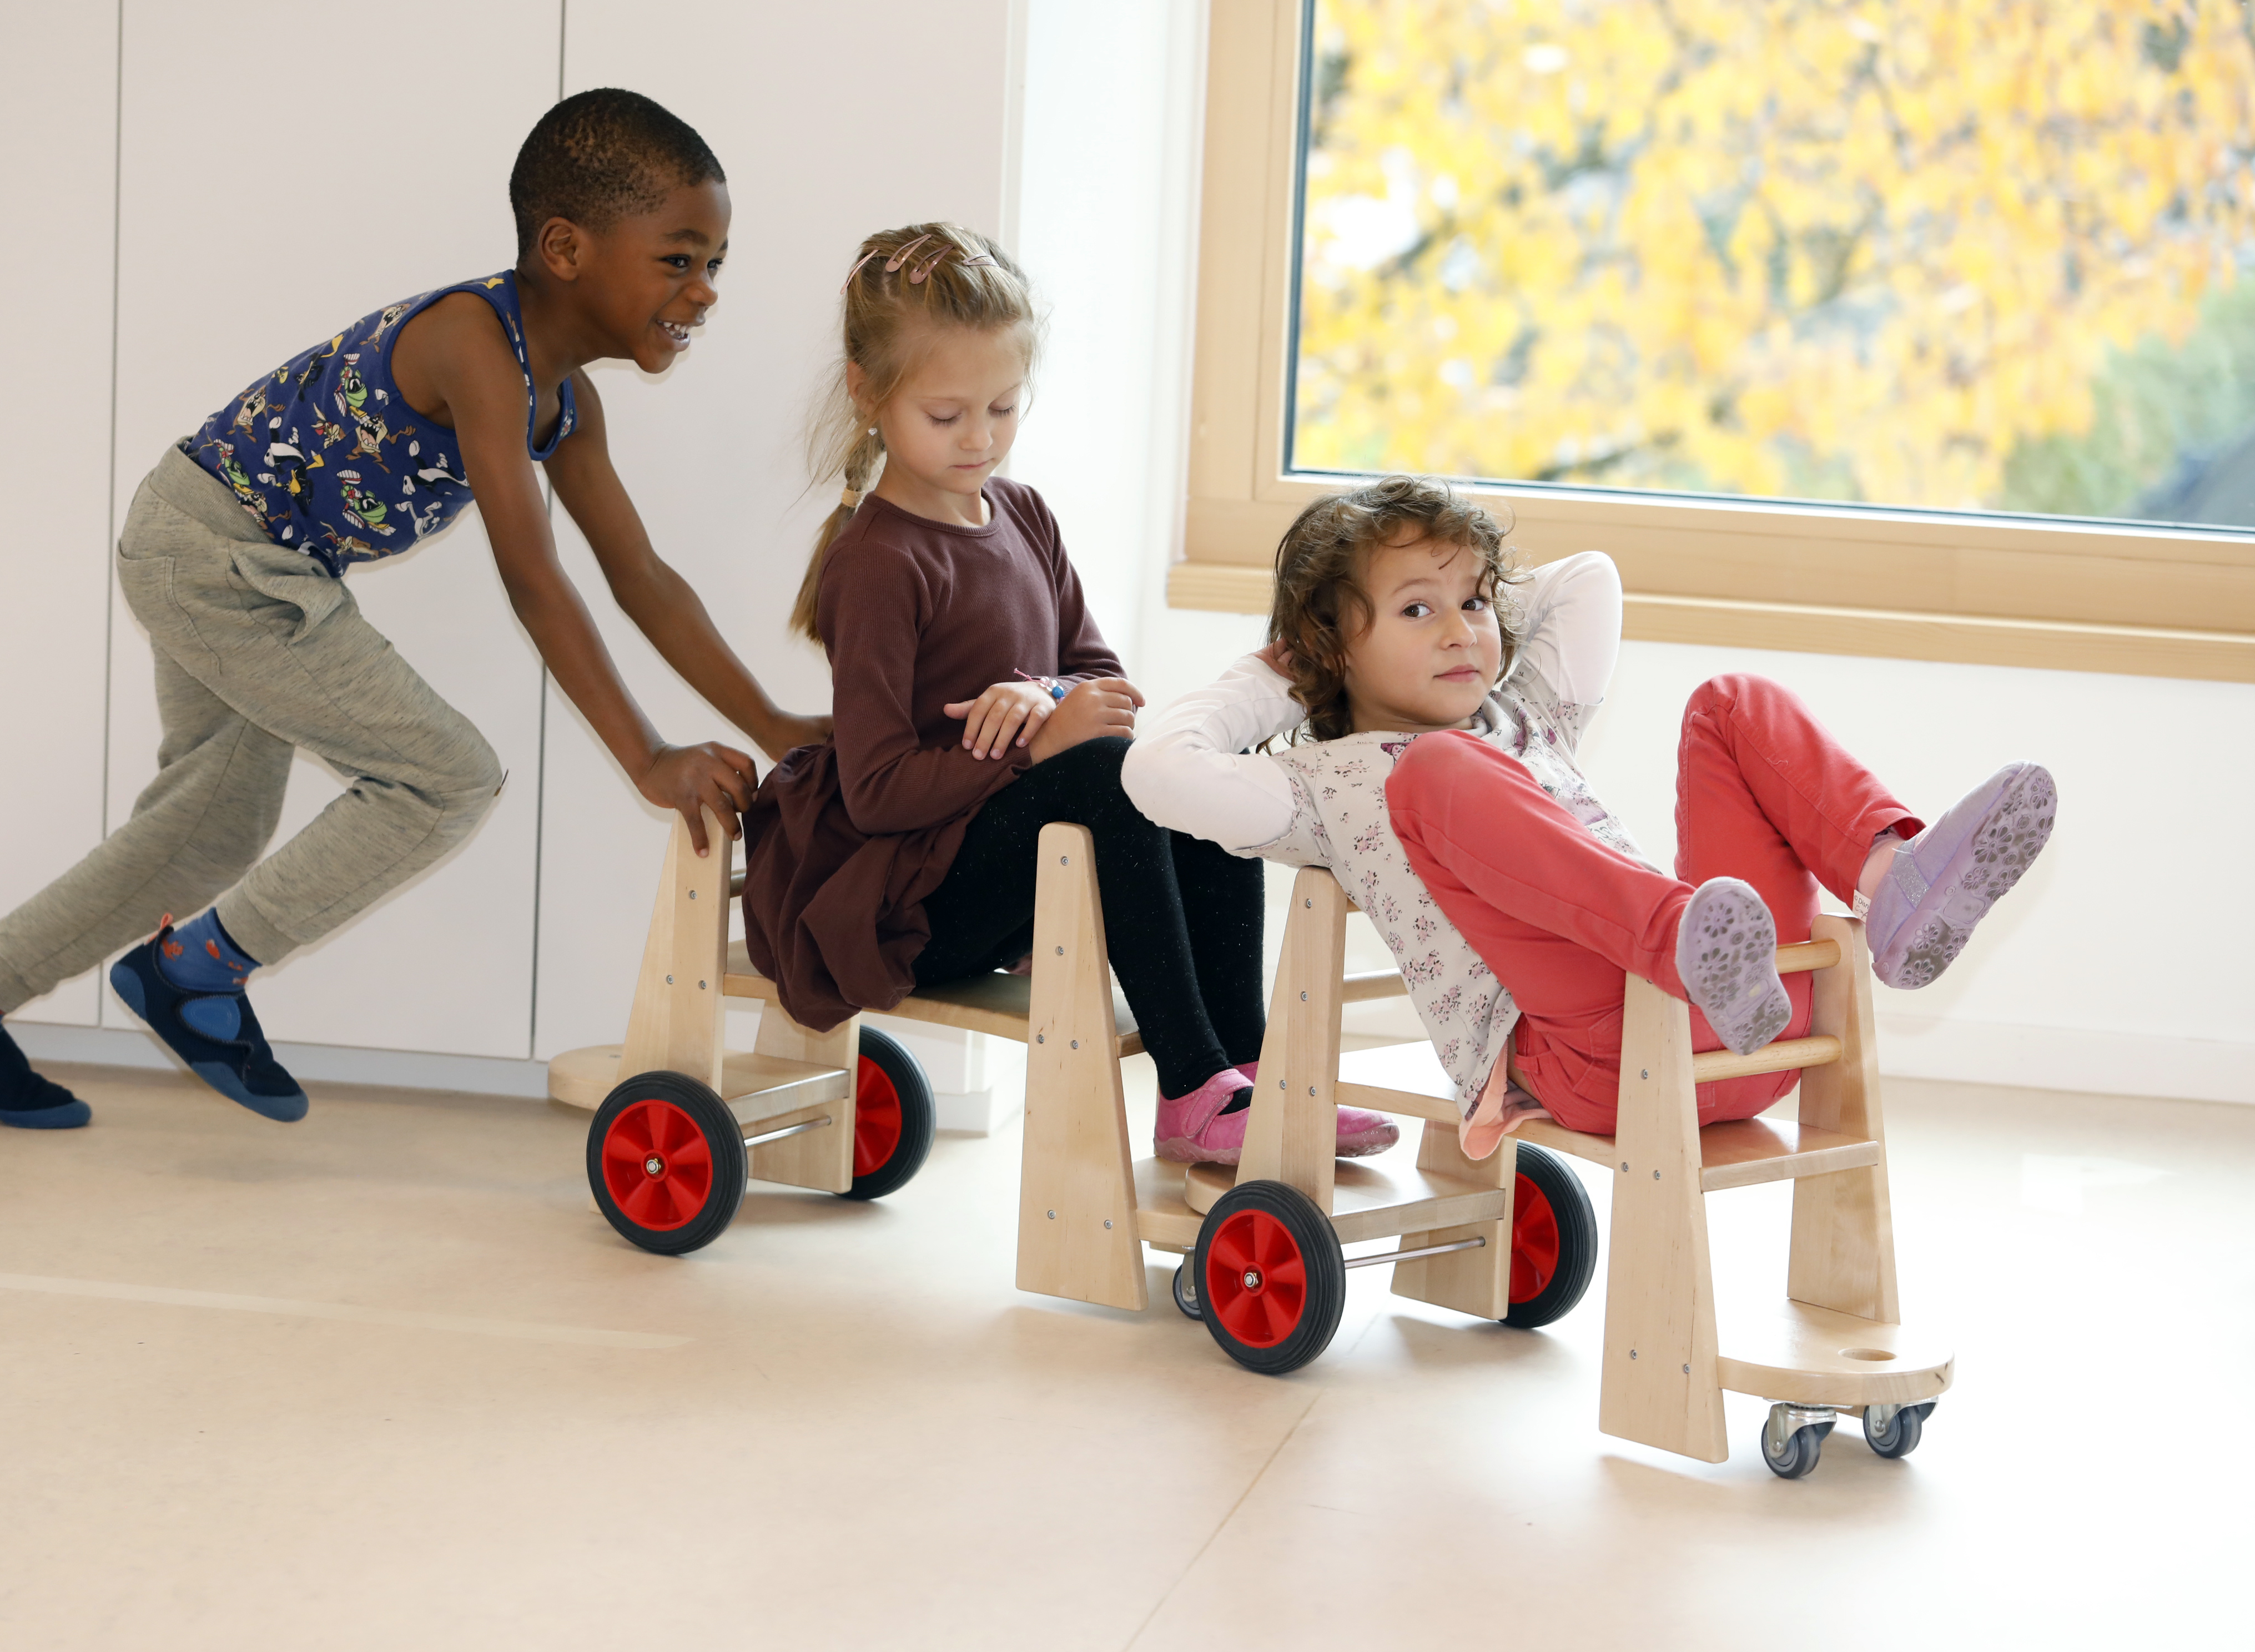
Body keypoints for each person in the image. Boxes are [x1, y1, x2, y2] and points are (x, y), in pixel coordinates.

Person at [0, 90, 827, 1130]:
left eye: (715, 263)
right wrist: (647, 757)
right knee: (447, 776)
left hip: (246, 558)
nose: (704, 291)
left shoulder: (567, 407)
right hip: (222, 556)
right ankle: (194, 972)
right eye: (679, 259)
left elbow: (640, 575)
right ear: (565, 248)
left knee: (210, 834)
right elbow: (535, 578)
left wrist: (772, 722)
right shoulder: (473, 340)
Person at [1123, 476, 2057, 1157]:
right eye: (1416, 610)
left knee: (1732, 702)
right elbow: (1156, 772)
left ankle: (1892, 882)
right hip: (1590, 1055)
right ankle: (1680, 938)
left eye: (1475, 601)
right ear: (1328, 647)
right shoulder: (1323, 786)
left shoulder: (1527, 716)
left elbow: (1590, 579)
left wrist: (1466, 591)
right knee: (1438, 768)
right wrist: (1284, 671)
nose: (1460, 630)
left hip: (1755, 1023)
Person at [740, 221, 1398, 1167]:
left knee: (1195, 783)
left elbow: (1101, 678)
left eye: (1004, 407)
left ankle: (1251, 1076)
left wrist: (1043, 696)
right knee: (1103, 774)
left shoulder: (1024, 514)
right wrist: (1035, 745)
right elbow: (875, 791)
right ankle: (1190, 1089)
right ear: (867, 391)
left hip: (1006, 872)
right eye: (947, 415)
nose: (981, 438)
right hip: (915, 903)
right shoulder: (879, 563)